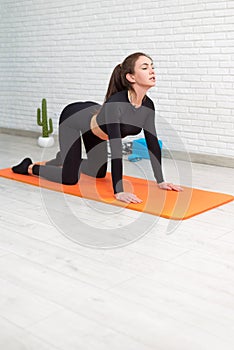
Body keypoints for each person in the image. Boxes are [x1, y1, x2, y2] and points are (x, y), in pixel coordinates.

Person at [12, 52, 182, 204]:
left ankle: (64, 158)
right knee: (70, 178)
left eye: (152, 67)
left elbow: (152, 143)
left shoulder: (148, 106)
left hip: (96, 127)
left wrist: (161, 181)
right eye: (145, 67)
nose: (152, 71)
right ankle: (28, 166)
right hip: (74, 119)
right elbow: (115, 149)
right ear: (131, 77)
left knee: (99, 173)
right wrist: (119, 191)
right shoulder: (117, 104)